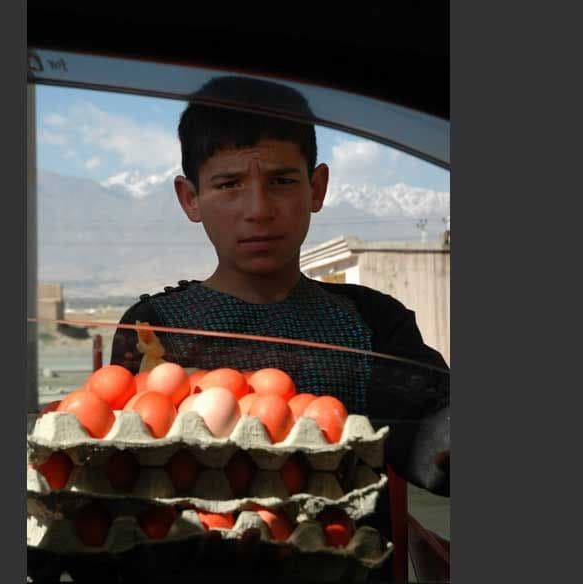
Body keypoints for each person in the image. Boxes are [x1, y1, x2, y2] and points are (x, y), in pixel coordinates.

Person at [110, 76, 449, 580]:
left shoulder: (372, 322)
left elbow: (430, 429)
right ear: (190, 198)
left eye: (282, 181)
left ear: (317, 188)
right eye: (228, 184)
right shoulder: (156, 329)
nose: (259, 210)